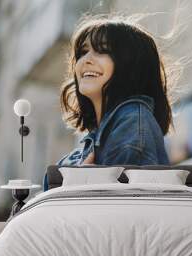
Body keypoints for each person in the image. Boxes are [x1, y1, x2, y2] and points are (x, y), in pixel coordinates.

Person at [43, 15, 175, 190]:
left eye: (102, 50)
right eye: (83, 52)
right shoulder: (92, 143)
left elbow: (121, 207)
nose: (87, 59)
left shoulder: (133, 122)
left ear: (130, 64)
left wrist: (80, 185)